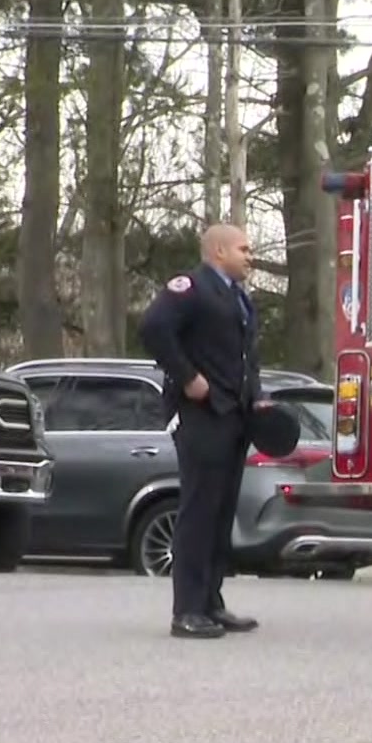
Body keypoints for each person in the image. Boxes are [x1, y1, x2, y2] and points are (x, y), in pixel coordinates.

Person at [137, 223, 265, 640]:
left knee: (222, 510)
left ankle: (212, 600)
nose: (250, 255)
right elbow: (153, 328)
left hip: (234, 414)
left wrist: (257, 398)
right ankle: (187, 610)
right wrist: (188, 376)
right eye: (244, 249)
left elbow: (246, 357)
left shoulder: (238, 297)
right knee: (199, 508)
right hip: (201, 415)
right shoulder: (190, 287)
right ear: (219, 251)